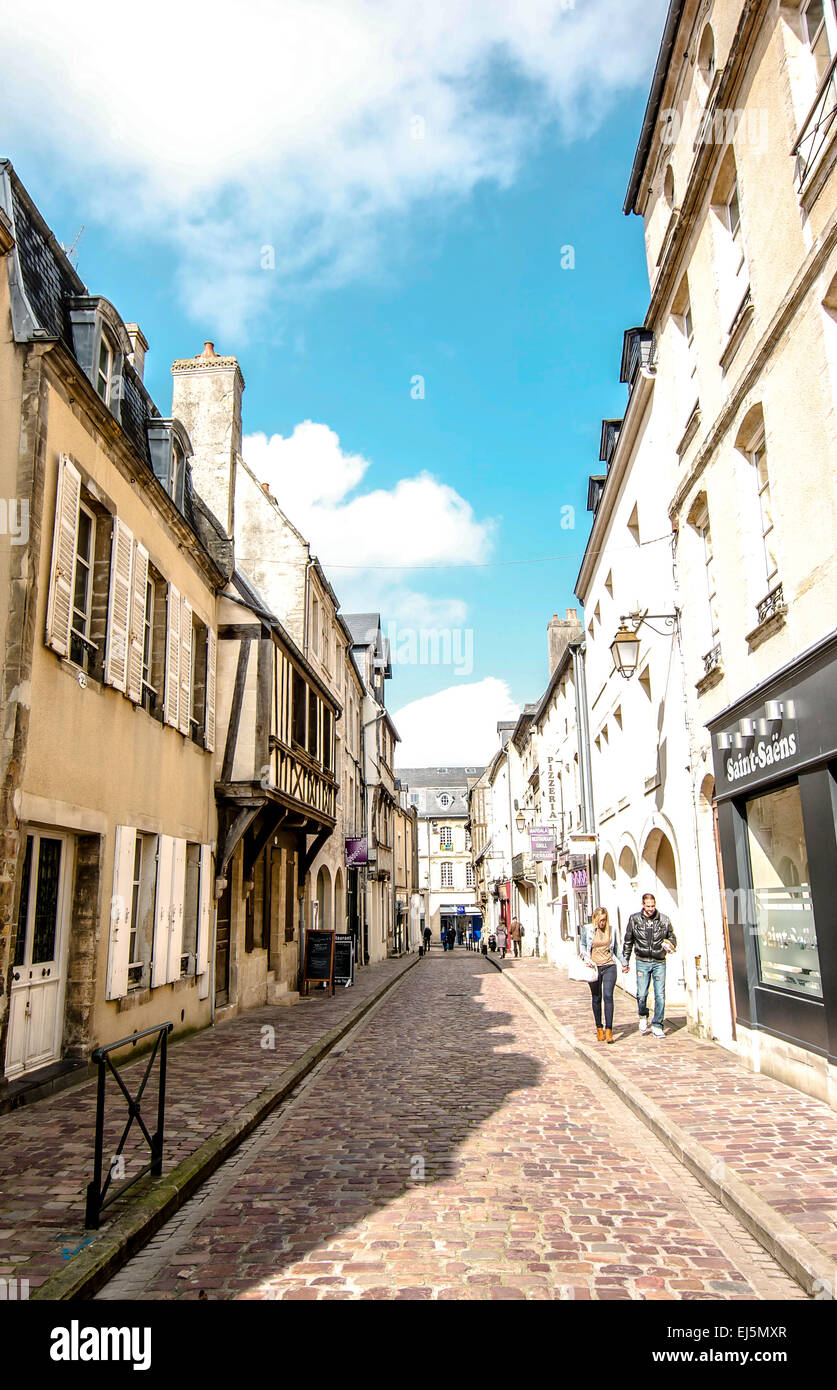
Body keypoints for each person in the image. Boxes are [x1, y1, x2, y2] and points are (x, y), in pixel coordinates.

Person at [622, 892, 677, 1039]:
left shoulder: (664, 920)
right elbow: (628, 940)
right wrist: (625, 961)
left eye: (653, 906)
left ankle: (657, 1024)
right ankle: (643, 1015)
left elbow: (672, 937)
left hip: (659, 961)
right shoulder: (635, 919)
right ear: (643, 905)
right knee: (641, 994)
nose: (651, 909)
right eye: (648, 906)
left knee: (660, 995)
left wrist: (669, 945)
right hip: (642, 960)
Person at [580, 907, 624, 1044]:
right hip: (594, 967)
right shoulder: (587, 930)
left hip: (609, 965)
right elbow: (582, 946)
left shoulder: (611, 930)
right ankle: (599, 1028)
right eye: (599, 921)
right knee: (596, 997)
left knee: (608, 996)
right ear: (594, 919)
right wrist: (586, 959)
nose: (602, 923)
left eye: (604, 920)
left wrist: (624, 963)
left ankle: (609, 1030)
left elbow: (616, 948)